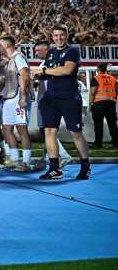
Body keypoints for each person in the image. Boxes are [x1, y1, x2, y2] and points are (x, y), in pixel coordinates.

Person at [35, 25, 90, 180]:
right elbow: (50, 73)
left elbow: (66, 70)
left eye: (61, 35)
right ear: (52, 37)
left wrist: (43, 71)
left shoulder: (72, 51)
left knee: (75, 133)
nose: (59, 38)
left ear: (66, 35)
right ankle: (55, 169)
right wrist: (40, 76)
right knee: (49, 131)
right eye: (56, 35)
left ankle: (85, 165)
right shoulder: (51, 52)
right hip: (51, 97)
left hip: (69, 97)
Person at [33, 41, 72, 169]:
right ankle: (47, 158)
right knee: (45, 130)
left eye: (38, 50)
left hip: (50, 101)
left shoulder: (52, 63)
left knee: (47, 130)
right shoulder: (43, 63)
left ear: (46, 50)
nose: (36, 53)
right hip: (45, 100)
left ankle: (64, 155)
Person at [0, 36, 33, 172]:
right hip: (9, 97)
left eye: (0, 45)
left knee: (21, 129)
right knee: (6, 129)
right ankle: (14, 160)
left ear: (7, 45)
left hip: (19, 96)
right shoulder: (9, 60)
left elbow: (24, 74)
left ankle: (26, 162)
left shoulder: (18, 57)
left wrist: (23, 96)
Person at [89, 63, 118, 148]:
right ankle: (116, 142)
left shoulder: (96, 78)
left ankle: (98, 143)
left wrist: (90, 104)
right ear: (106, 69)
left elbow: (92, 92)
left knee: (98, 124)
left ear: (98, 70)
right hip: (111, 103)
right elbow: (116, 91)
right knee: (112, 124)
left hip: (99, 104)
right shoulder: (113, 78)